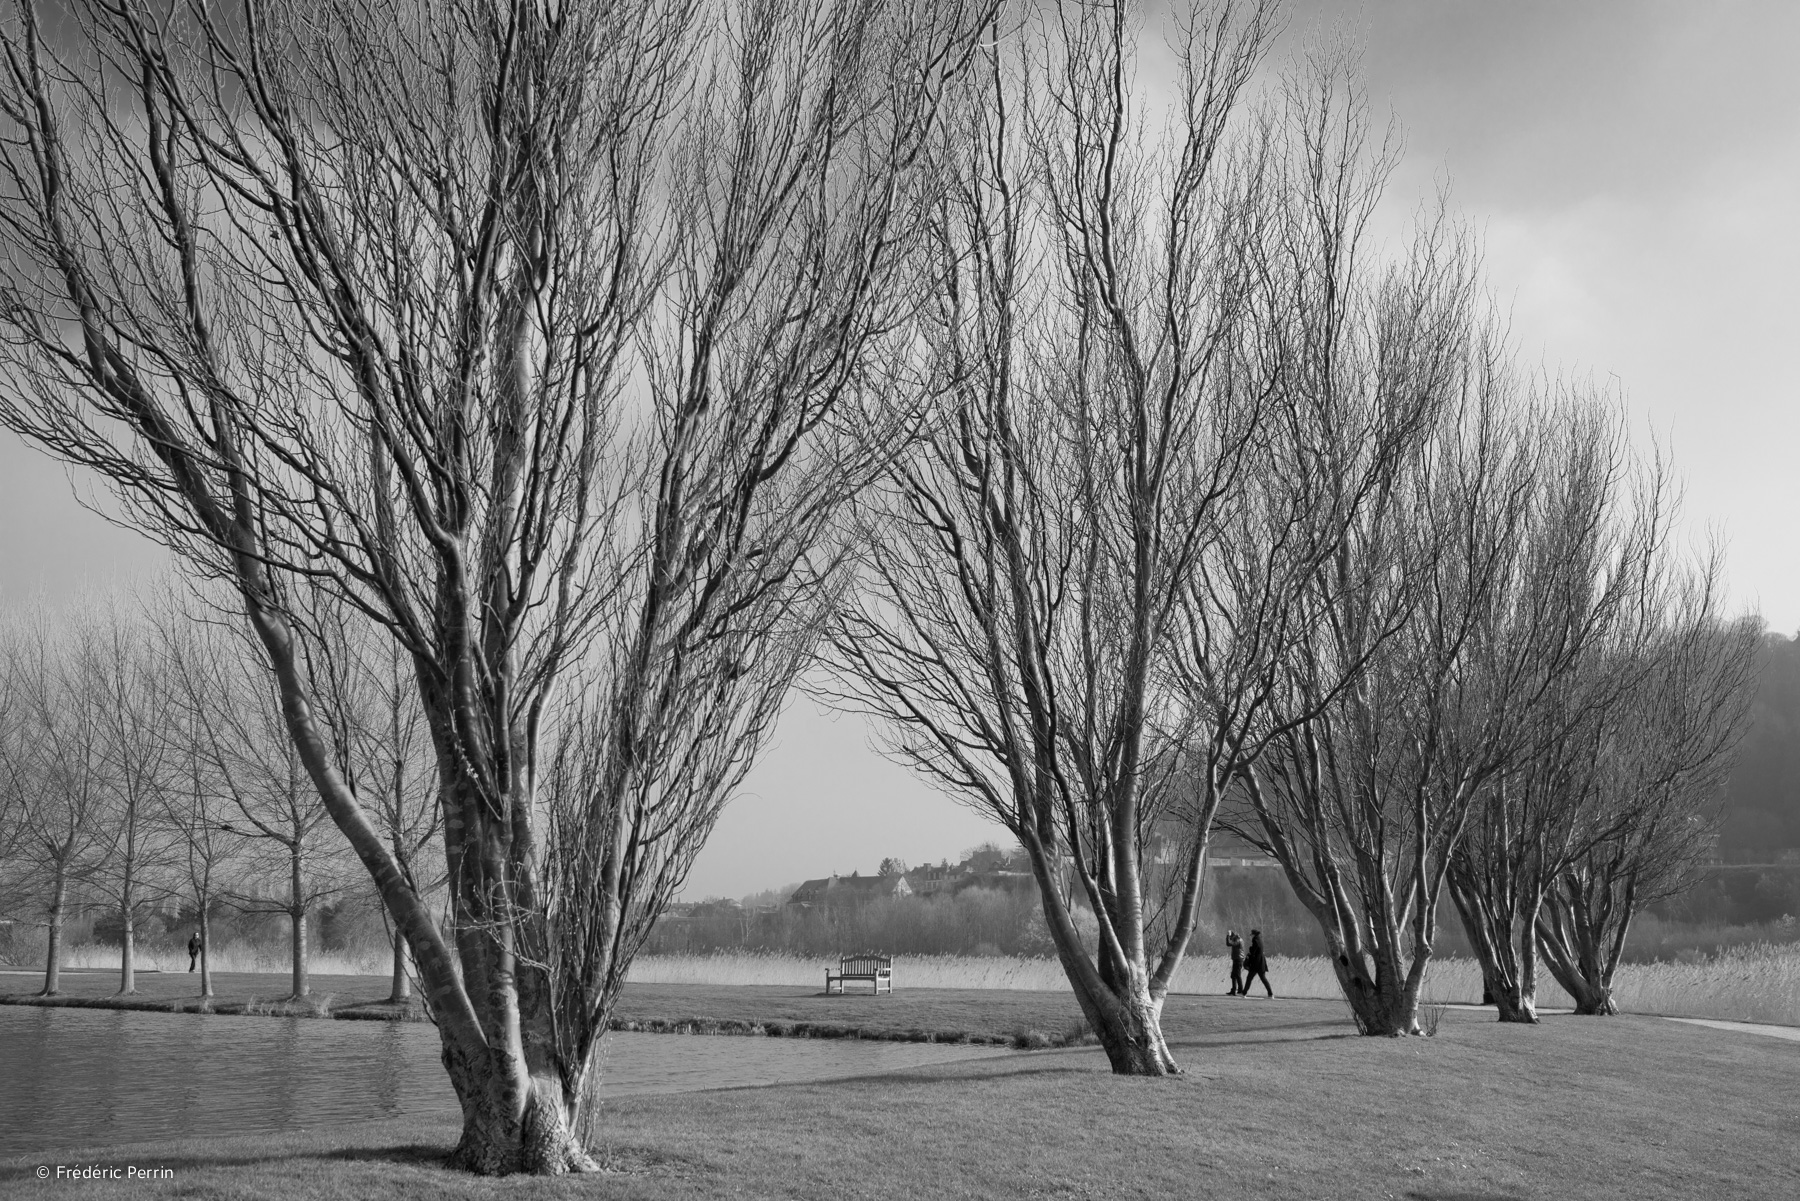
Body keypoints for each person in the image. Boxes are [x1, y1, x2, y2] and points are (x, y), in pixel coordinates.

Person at [1243, 929, 1272, 997]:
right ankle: (1270, 994)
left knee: (1249, 978)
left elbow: (1253, 951)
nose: (1251, 936)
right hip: (1261, 963)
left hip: (1256, 963)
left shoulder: (1255, 940)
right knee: (1263, 979)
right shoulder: (1260, 940)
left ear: (1253, 935)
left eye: (1251, 935)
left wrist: (1250, 948)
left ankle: (1244, 993)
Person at [1226, 930, 1244, 996]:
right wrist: (1229, 936)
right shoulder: (1238, 939)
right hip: (1237, 959)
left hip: (1238, 959)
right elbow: (1229, 943)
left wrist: (1228, 935)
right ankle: (1234, 990)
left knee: (1237, 975)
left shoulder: (1238, 940)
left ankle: (1240, 990)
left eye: (1232, 937)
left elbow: (1229, 943)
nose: (1231, 939)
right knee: (1234, 975)